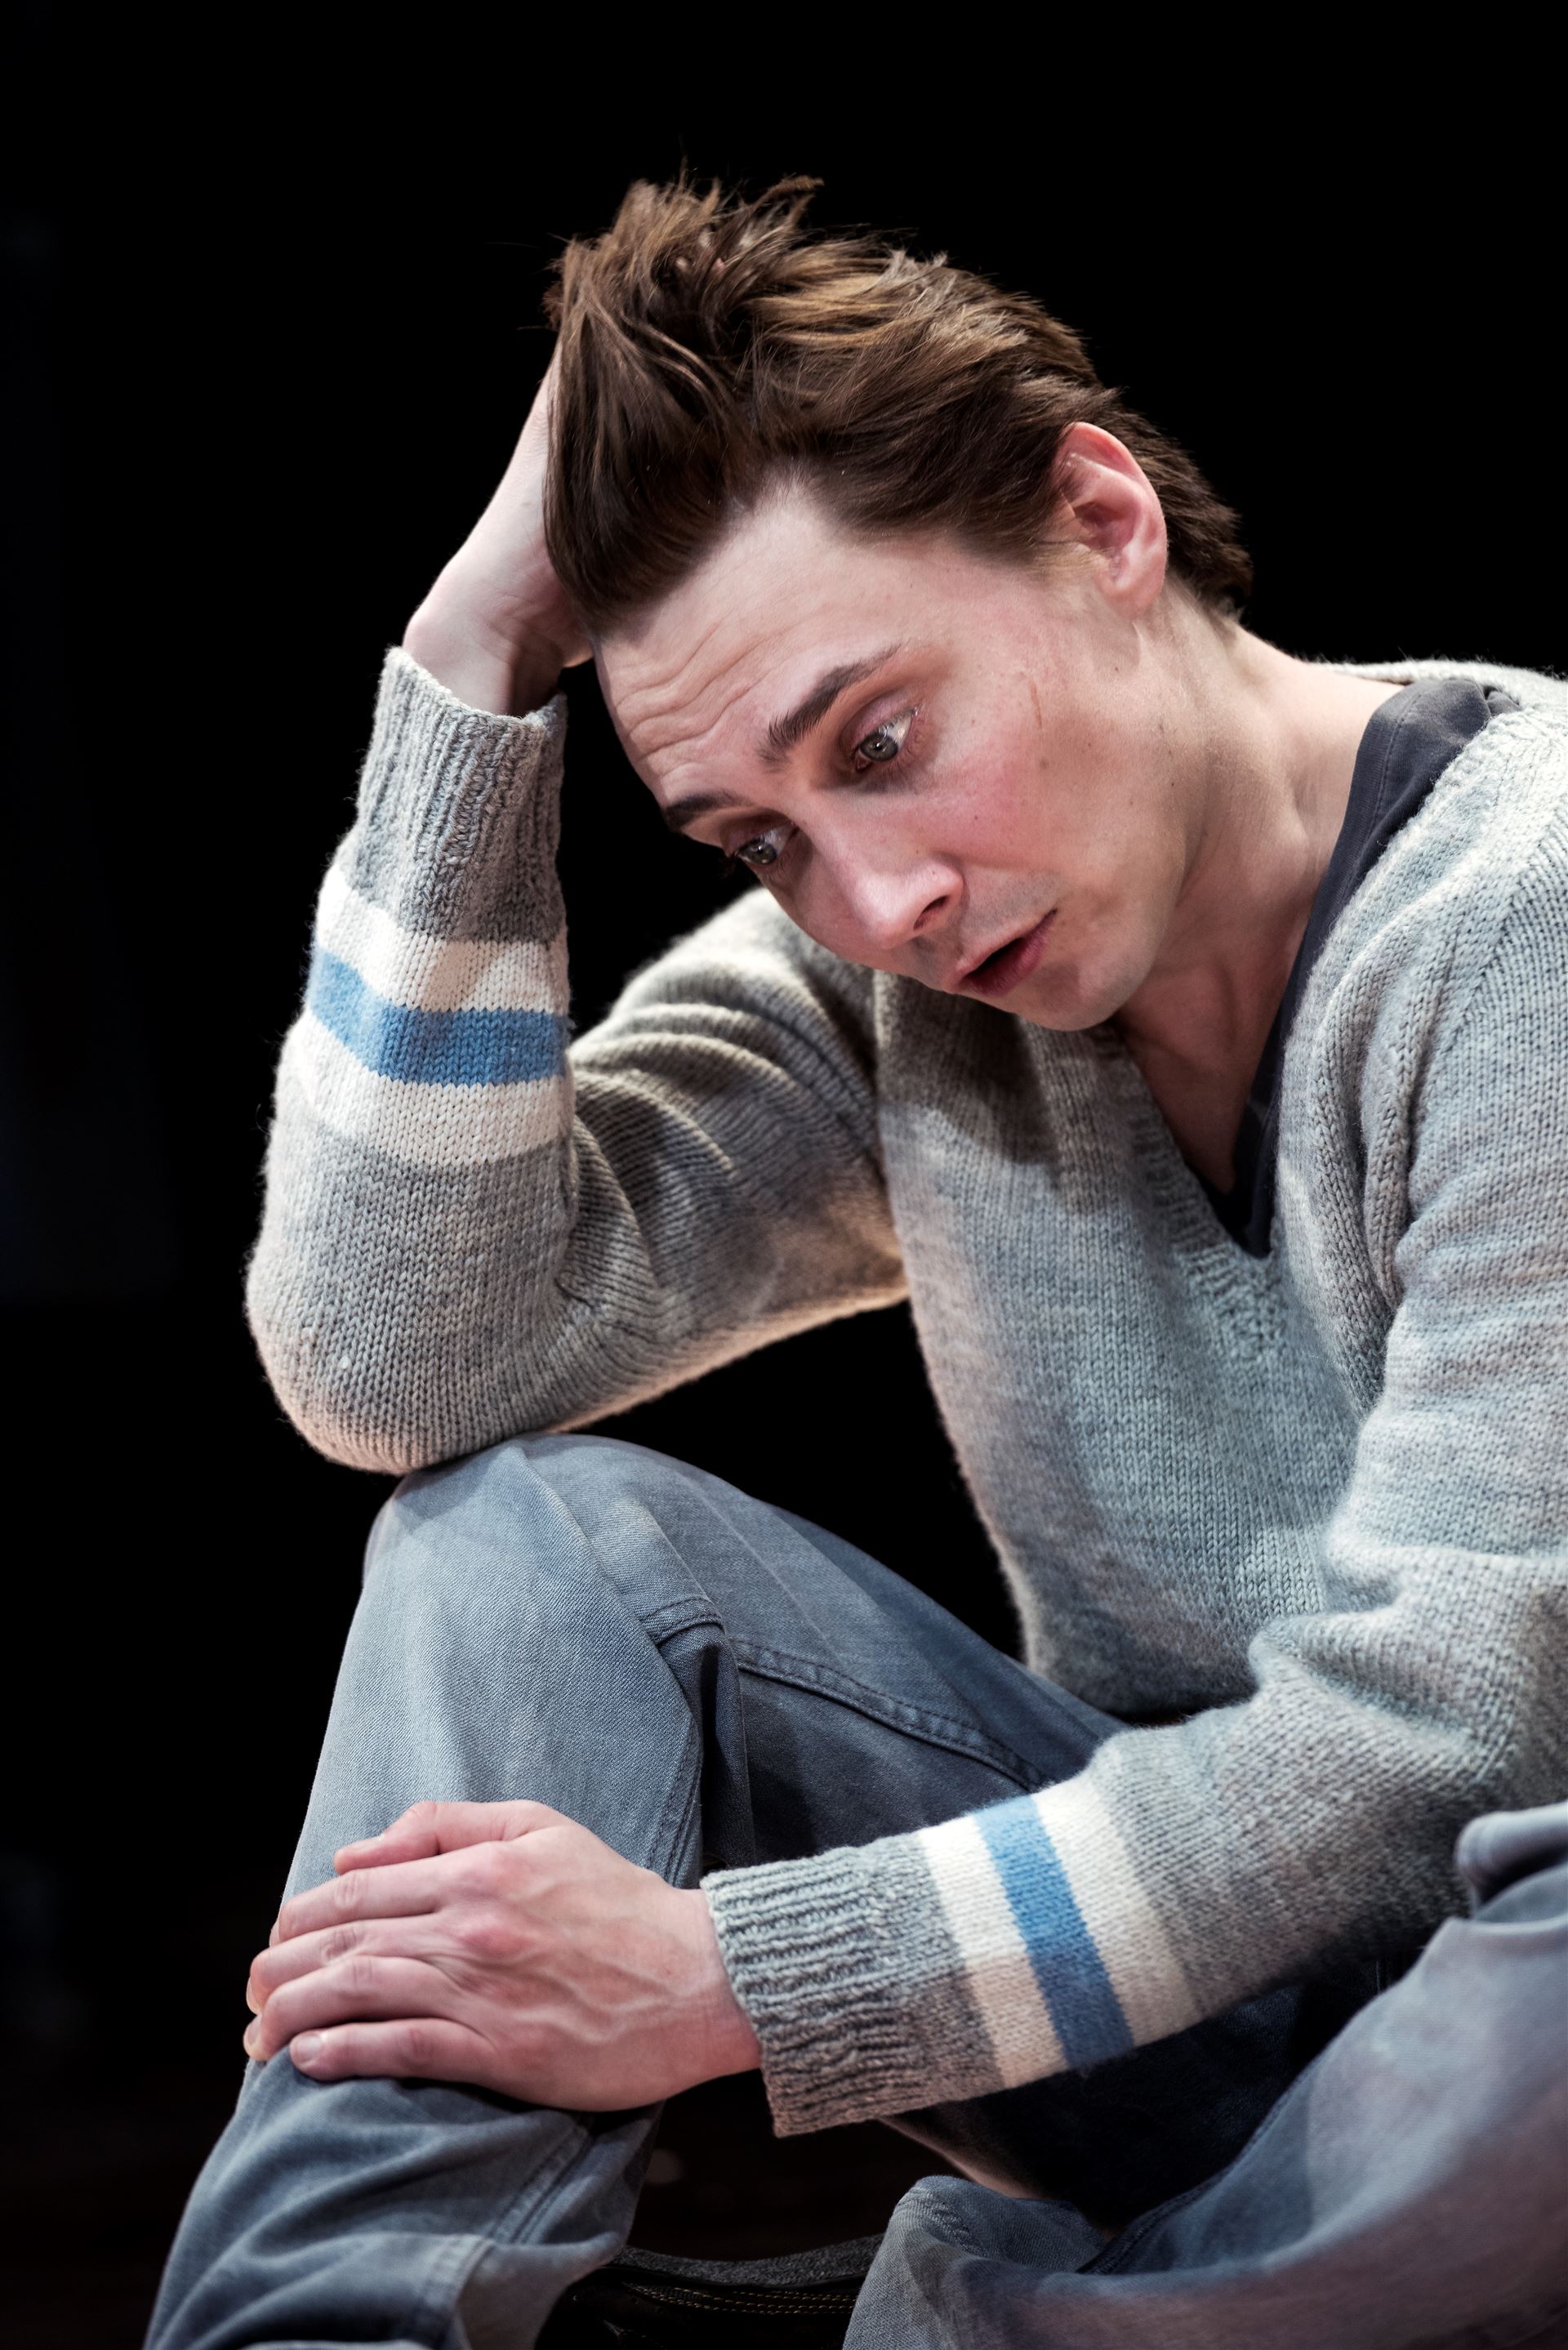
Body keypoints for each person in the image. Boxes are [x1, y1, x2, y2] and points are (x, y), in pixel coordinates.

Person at [145, 175, 1567, 2348]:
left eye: (881, 743)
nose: (880, 898)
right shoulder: (904, 993)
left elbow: (1461, 1730)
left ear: (1100, 520)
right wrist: (464, 669)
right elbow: (397, 1365)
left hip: (1507, 2021)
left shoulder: (1530, 910)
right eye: (764, 839)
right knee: (521, 1538)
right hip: (1196, 2027)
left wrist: (738, 1977)